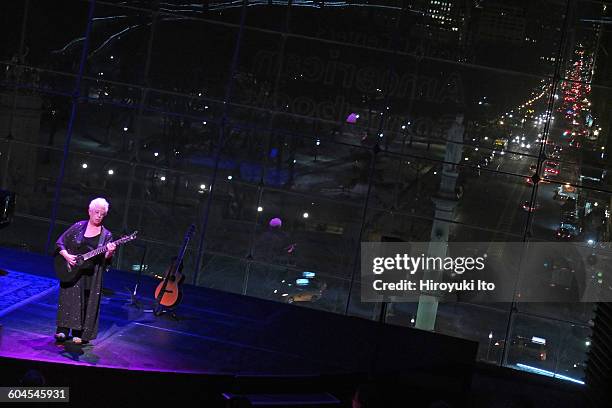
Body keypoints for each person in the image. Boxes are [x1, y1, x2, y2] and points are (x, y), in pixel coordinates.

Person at [55, 198, 116, 345]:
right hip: (72, 268)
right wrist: (67, 255)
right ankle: (62, 330)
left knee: (85, 300)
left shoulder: (106, 235)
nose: (99, 216)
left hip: (90, 274)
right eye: (96, 212)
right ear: (89, 211)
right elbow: (60, 242)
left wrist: (110, 252)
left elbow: (106, 259)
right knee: (67, 298)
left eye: (102, 214)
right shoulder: (78, 226)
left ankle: (78, 333)